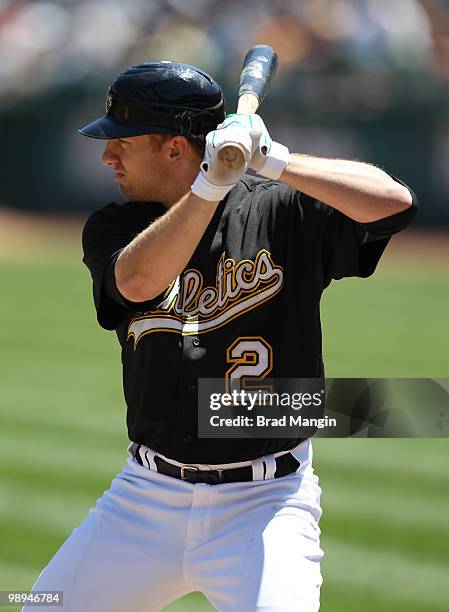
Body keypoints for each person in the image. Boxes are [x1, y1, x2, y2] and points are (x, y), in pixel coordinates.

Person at [25, 61, 417, 612]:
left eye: (121, 142)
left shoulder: (278, 209)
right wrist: (211, 183)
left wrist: (272, 160)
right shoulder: (115, 227)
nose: (106, 155)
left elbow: (394, 203)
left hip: (266, 504)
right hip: (145, 498)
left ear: (174, 149)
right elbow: (137, 282)